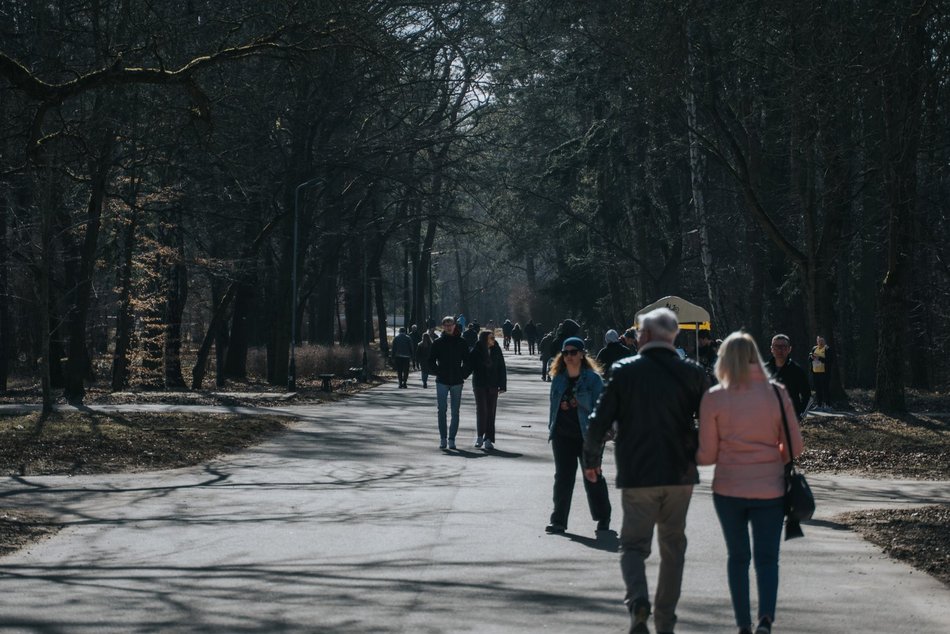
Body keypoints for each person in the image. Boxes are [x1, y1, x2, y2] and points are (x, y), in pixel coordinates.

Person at [583, 308, 709, 634]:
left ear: (648, 336)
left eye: (639, 333)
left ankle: (638, 601)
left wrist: (591, 460)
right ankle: (666, 619)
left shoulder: (624, 371)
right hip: (680, 474)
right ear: (674, 336)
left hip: (637, 474)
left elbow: (598, 421)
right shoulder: (693, 373)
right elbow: (710, 420)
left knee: (633, 546)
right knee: (673, 547)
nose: (636, 337)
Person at [696, 332, 803, 634]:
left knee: (738, 557)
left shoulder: (714, 398)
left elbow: (706, 456)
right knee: (768, 558)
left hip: (728, 488)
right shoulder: (777, 393)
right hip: (769, 488)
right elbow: (795, 446)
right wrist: (772, 456)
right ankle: (765, 620)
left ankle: (742, 623)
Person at [546, 336, 610, 537]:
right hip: (562, 435)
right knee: (563, 478)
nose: (569, 356)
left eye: (573, 352)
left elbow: (601, 408)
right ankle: (558, 521)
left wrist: (578, 403)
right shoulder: (558, 379)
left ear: (582, 354)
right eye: (565, 353)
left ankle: (603, 517)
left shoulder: (593, 379)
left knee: (592, 476)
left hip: (587, 435)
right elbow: (553, 407)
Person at [429, 316, 472, 449]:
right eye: (446, 324)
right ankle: (443, 438)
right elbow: (430, 361)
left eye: (450, 324)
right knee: (441, 410)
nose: (448, 327)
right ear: (443, 326)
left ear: (455, 325)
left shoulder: (461, 342)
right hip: (442, 381)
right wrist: (438, 372)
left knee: (455, 412)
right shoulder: (438, 342)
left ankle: (452, 439)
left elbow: (468, 362)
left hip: (457, 382)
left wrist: (463, 374)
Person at [469, 330, 507, 450]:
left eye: (494, 338)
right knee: (482, 410)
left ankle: (488, 438)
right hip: (479, 385)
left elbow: (502, 367)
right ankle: (480, 436)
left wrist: (503, 385)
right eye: (491, 338)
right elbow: (469, 366)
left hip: (493, 385)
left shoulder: (497, 349)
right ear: (484, 339)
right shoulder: (477, 350)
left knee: (491, 411)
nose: (493, 340)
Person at [763, 335, 810, 419]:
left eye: (784, 347)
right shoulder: (763, 370)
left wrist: (799, 414)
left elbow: (807, 396)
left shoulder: (797, 371)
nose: (780, 350)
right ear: (771, 349)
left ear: (789, 349)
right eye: (776, 346)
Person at [809, 336, 833, 410]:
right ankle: (819, 405)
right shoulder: (814, 348)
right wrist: (811, 357)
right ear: (817, 341)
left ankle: (828, 405)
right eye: (819, 341)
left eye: (822, 341)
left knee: (825, 389)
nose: (820, 342)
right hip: (815, 372)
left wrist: (819, 358)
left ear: (825, 341)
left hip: (824, 373)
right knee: (818, 389)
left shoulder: (827, 349)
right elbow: (809, 358)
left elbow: (829, 361)